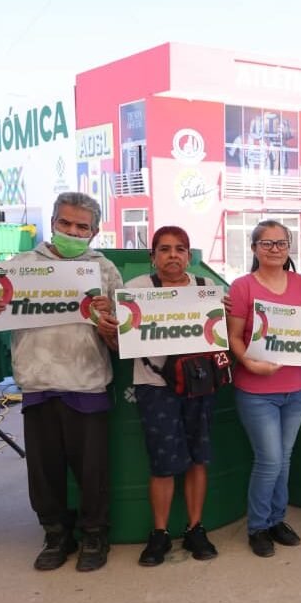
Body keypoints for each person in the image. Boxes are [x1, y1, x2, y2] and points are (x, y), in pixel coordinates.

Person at [0, 192, 122, 572]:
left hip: (87, 382)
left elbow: (122, 334)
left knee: (93, 472)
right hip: (37, 382)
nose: (72, 231)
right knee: (44, 471)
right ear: (53, 222)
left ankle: (94, 535)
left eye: (81, 226)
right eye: (65, 223)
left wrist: (111, 322)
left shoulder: (104, 270)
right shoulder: (19, 267)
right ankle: (55, 535)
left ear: (94, 231)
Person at [102, 226, 220, 566]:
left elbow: (218, 334)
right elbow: (120, 341)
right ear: (152, 256)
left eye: (180, 249)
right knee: (162, 462)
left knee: (199, 458)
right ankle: (160, 533)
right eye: (165, 249)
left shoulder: (205, 288)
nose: (173, 255)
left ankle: (196, 528)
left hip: (199, 385)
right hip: (154, 386)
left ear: (189, 256)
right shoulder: (136, 289)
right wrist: (110, 330)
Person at [227, 220, 301, 557]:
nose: (275, 249)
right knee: (269, 460)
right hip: (256, 390)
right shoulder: (242, 287)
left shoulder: (300, 285)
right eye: (267, 243)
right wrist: (249, 362)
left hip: (298, 386)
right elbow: (234, 338)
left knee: (285, 458)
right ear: (254, 249)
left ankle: (278, 519)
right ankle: (258, 526)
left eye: (281, 243)